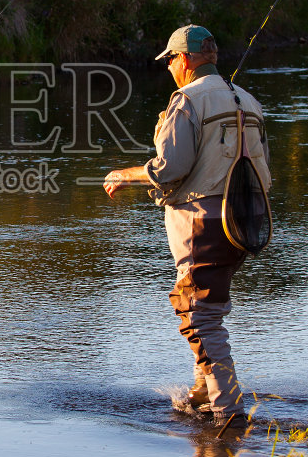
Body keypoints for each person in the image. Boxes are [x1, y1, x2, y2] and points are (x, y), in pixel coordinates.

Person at [103, 23, 271, 424]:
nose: (168, 68)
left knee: (198, 313)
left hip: (203, 224)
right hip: (246, 222)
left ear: (185, 59)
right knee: (205, 304)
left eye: (170, 60)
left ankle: (228, 412)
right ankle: (203, 392)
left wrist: (125, 175)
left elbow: (169, 169)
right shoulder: (248, 100)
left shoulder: (187, 100)